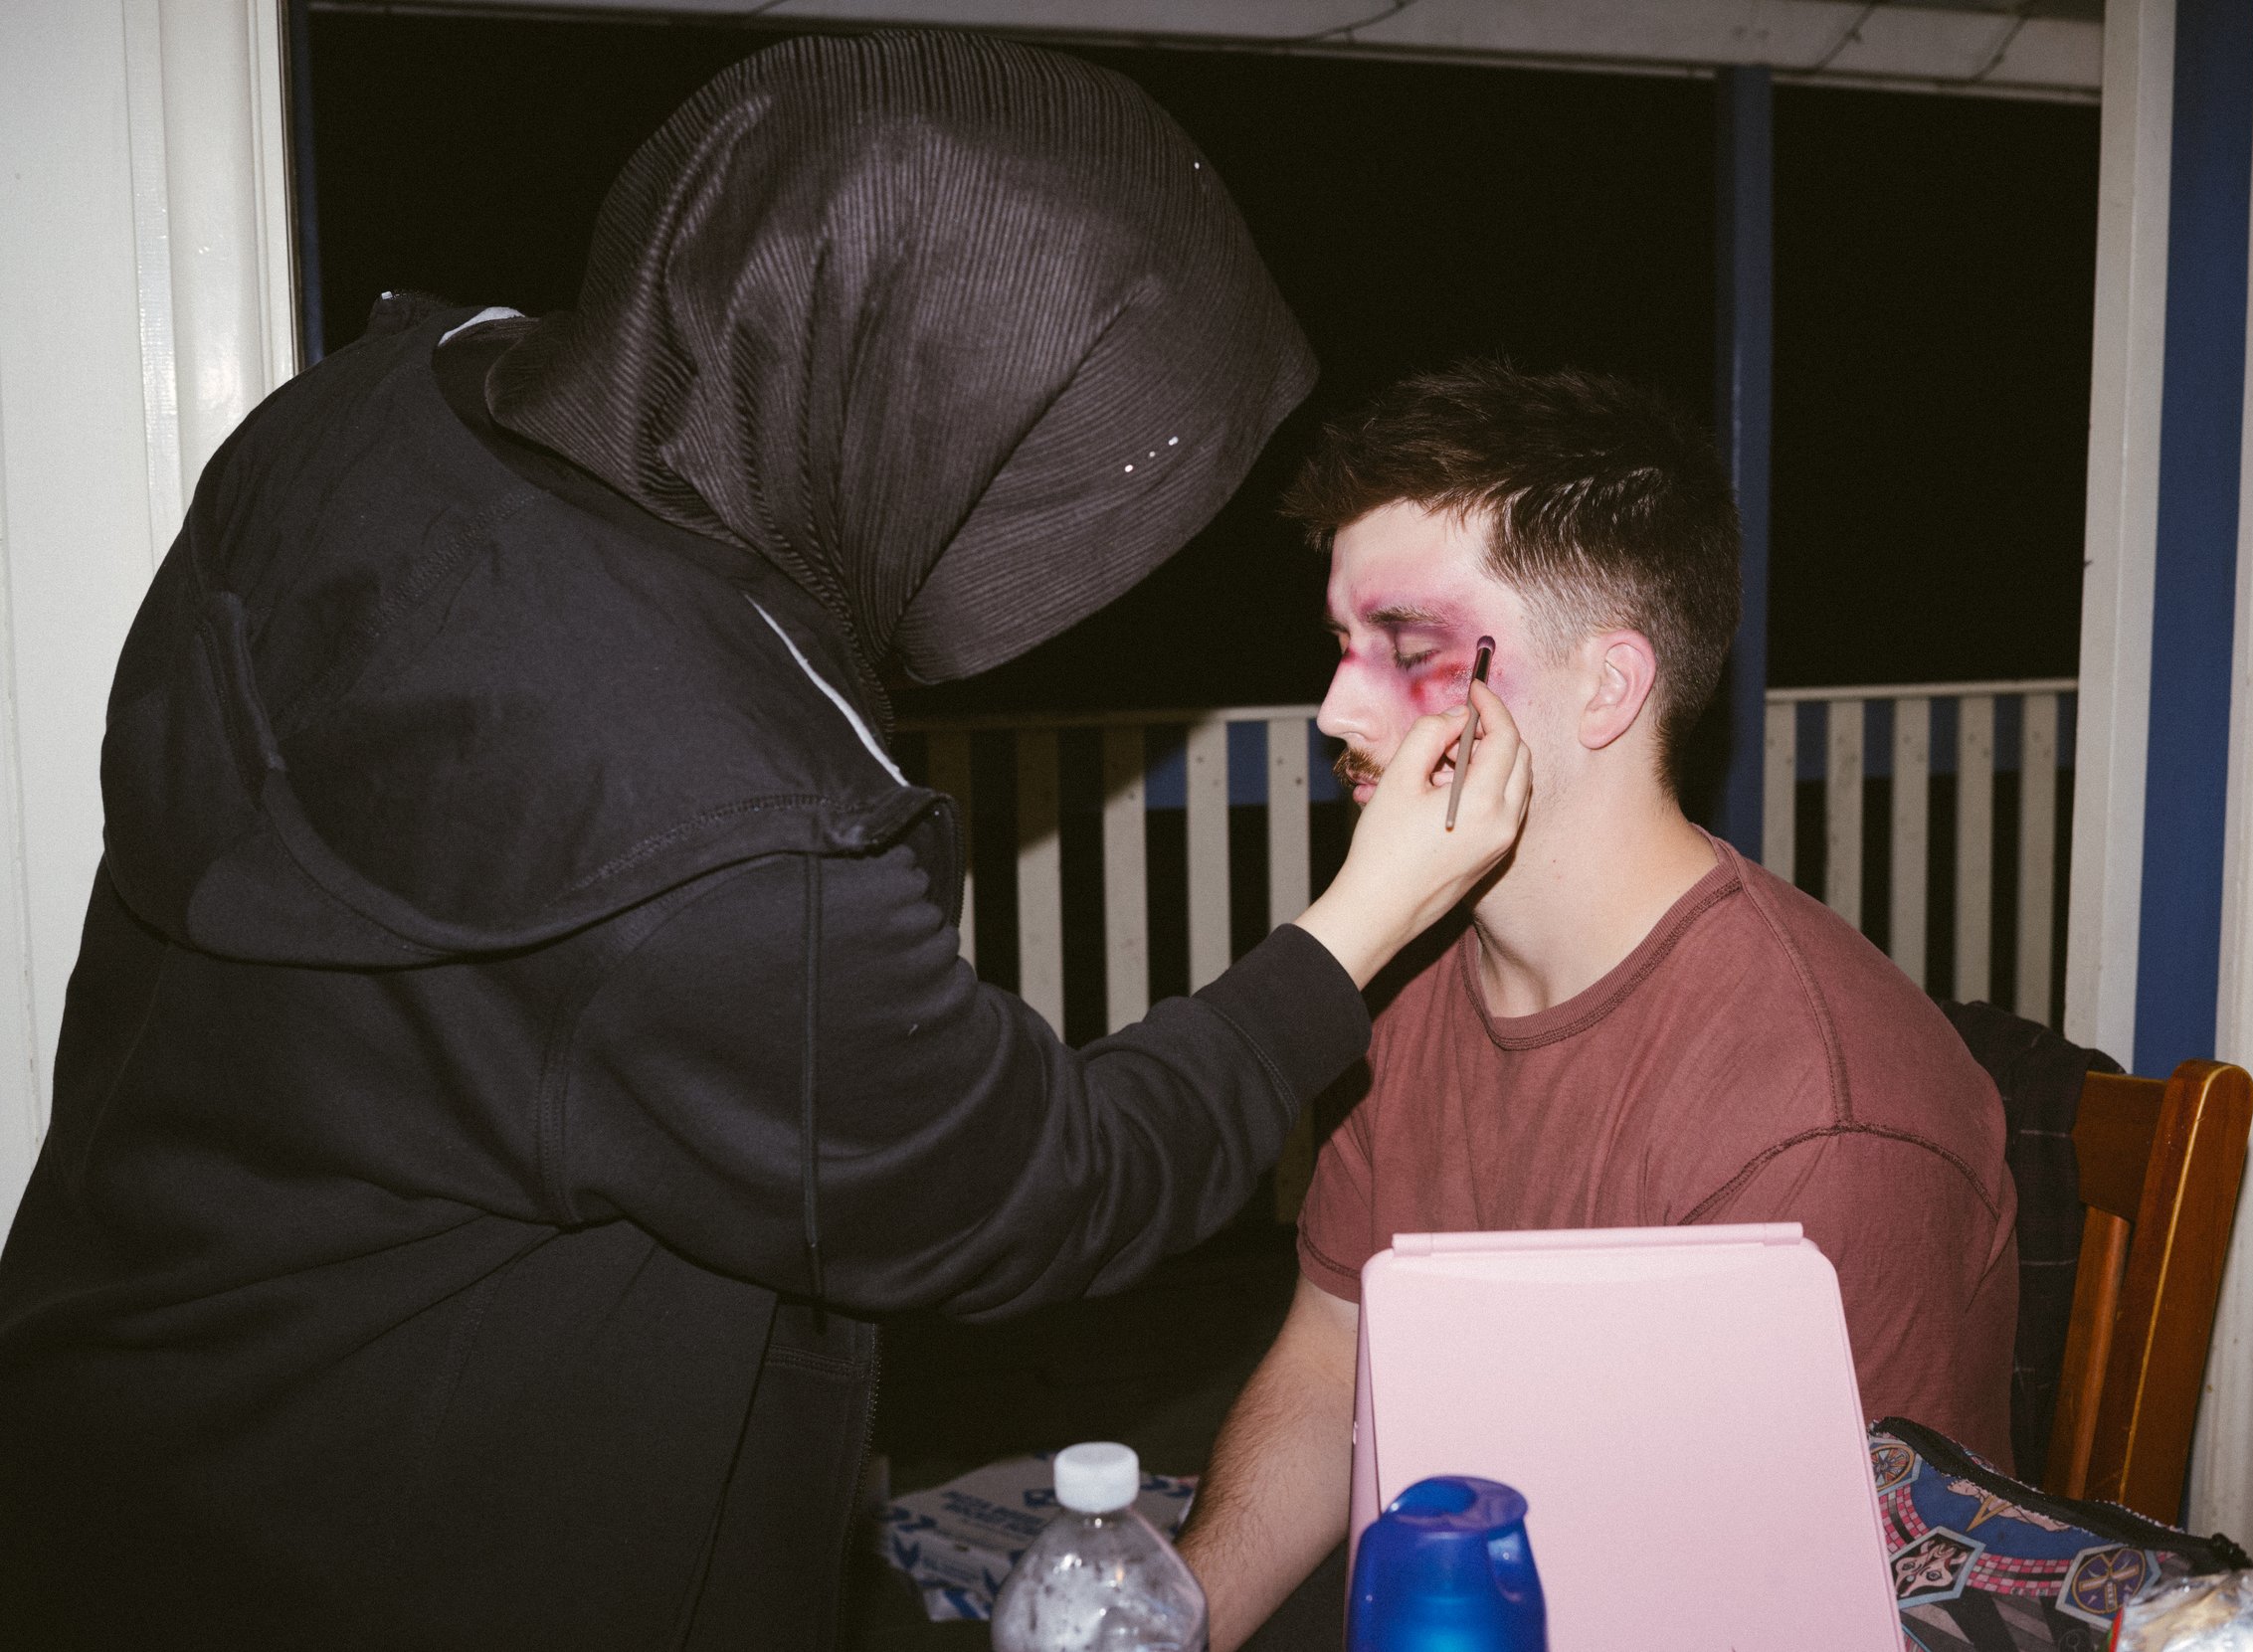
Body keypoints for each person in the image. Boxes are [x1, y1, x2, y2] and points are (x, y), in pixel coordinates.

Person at [0, 36, 1532, 1651]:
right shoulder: (718, 831)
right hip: (365, 1558)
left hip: (115, 1442)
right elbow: (1041, 1186)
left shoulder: (383, 410)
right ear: (926, 398)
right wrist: (1357, 927)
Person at [1177, 363, 2017, 1650]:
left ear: (1607, 687)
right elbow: (1333, 1354)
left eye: (1410, 649)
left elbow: (1823, 1607)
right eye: (1343, 645)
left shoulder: (1821, 1124)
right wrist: (1166, 1626)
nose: (1336, 707)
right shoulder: (1401, 989)